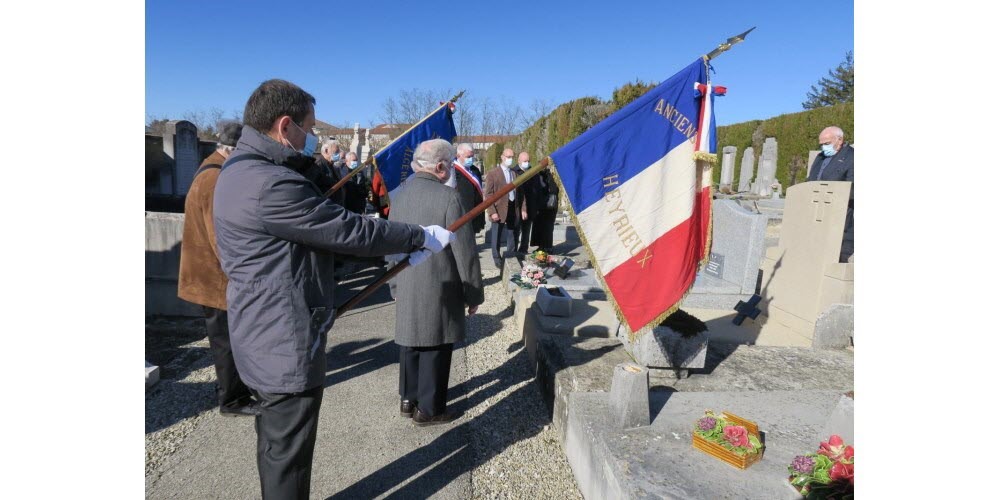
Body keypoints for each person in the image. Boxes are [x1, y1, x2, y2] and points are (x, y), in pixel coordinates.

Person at [212, 79, 455, 500]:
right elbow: (346, 230)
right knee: (288, 453)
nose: (313, 137)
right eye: (308, 127)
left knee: (276, 443)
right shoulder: (269, 183)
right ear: (285, 126)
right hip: (282, 337)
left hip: (260, 325)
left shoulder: (241, 169)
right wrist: (417, 237)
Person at [389, 139, 484, 426]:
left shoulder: (400, 196)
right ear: (441, 166)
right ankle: (429, 409)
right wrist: (473, 293)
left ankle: (409, 398)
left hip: (405, 279)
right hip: (439, 282)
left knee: (410, 340)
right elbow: (464, 251)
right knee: (435, 343)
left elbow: (390, 245)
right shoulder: (449, 198)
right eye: (451, 164)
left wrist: (393, 284)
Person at [177, 121, 259, 418]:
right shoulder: (214, 179)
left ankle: (232, 389)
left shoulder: (213, 169)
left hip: (211, 275)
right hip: (214, 278)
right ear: (232, 150)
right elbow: (220, 236)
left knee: (228, 339)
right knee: (226, 342)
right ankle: (232, 400)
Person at [806, 126, 854, 263]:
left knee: (835, 257)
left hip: (840, 216)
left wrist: (830, 193)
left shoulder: (852, 157)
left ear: (839, 140)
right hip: (816, 211)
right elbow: (812, 179)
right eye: (821, 144)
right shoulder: (820, 157)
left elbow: (853, 187)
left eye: (826, 143)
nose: (823, 147)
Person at [484, 148, 526, 269]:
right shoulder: (493, 173)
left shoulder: (515, 173)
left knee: (512, 233)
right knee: (496, 235)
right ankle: (497, 258)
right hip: (499, 209)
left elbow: (521, 194)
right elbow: (488, 194)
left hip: (513, 207)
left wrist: (523, 209)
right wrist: (492, 211)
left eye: (512, 157)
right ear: (502, 157)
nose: (510, 159)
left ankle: (511, 255)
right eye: (508, 157)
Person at [452, 143, 485, 234]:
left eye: (472, 156)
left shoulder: (475, 170)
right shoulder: (452, 171)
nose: (471, 159)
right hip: (460, 214)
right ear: (458, 155)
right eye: (468, 157)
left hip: (475, 212)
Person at [530, 168, 560, 252]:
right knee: (541, 227)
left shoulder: (550, 177)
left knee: (547, 227)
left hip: (548, 207)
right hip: (543, 207)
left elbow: (553, 189)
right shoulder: (540, 176)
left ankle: (547, 247)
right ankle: (542, 247)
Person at [513, 152, 537, 253]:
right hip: (518, 205)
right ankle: (513, 250)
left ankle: (523, 249)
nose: (527, 163)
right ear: (519, 161)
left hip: (530, 204)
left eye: (528, 161)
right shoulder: (514, 172)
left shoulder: (533, 171)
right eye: (524, 161)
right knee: (516, 230)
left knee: (526, 230)